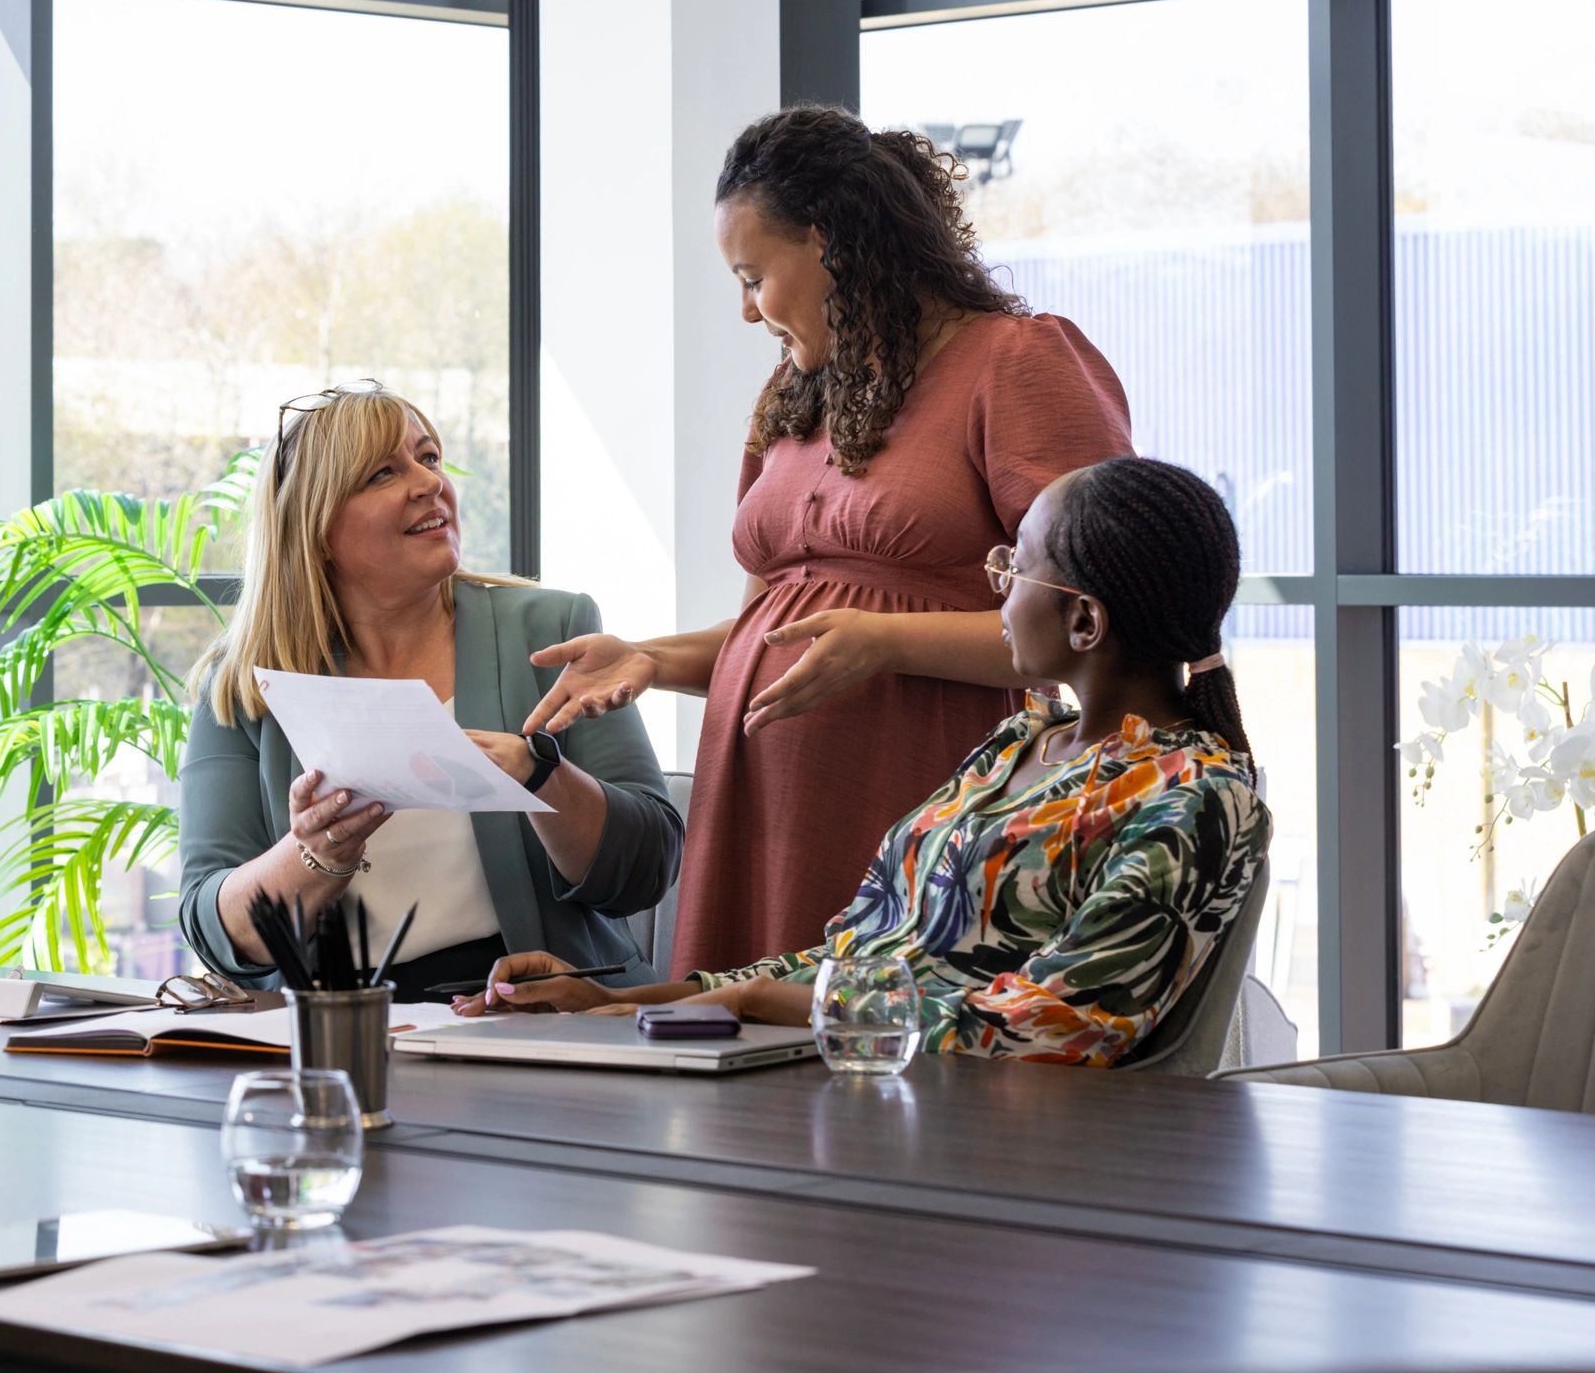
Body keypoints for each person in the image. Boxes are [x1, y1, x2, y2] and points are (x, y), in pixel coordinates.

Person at [523, 105, 1135, 977]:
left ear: (830, 241)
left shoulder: (1015, 362)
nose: (746, 311)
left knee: (884, 1041)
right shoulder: (792, 393)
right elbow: (776, 633)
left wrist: (889, 640)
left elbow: (1107, 621)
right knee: (741, 1045)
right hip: (759, 816)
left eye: (753, 277)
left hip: (923, 802)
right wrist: (652, 658)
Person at [462, 457, 1272, 1070]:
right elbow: (854, 956)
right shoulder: (1015, 747)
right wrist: (619, 999)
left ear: (1084, 622)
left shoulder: (1195, 798)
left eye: (1014, 568)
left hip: (1002, 1147)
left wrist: (763, 1005)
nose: (997, 589)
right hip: (868, 1094)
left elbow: (1053, 1029)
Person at [178, 381, 682, 1001]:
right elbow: (214, 931)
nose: (428, 483)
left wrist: (539, 776)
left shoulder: (553, 629)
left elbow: (648, 868)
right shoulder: (245, 685)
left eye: (429, 457)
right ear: (315, 527)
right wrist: (314, 855)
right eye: (382, 474)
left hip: (543, 1016)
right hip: (344, 1030)